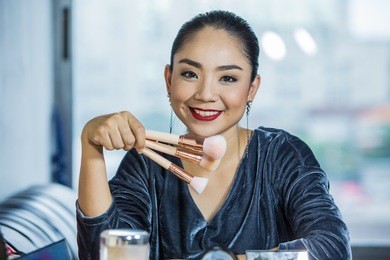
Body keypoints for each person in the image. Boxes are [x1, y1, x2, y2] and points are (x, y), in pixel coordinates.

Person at [76, 10, 351, 260]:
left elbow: (332, 248)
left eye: (228, 78)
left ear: (252, 88)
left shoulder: (282, 155)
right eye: (190, 73)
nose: (206, 94)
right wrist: (90, 148)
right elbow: (105, 256)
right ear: (168, 80)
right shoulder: (147, 164)